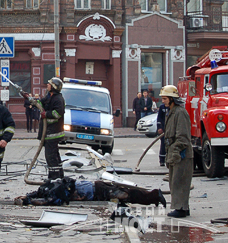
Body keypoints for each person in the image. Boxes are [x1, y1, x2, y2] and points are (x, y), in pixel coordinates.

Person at [15, 178, 166, 208]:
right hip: (96, 187)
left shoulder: (54, 193)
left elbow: (43, 201)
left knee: (128, 195)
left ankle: (154, 196)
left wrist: (27, 201)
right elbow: (38, 194)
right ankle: (153, 197)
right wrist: (28, 198)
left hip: (98, 190)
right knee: (128, 195)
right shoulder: (50, 187)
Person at [159, 85, 193, 218]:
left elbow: (183, 137)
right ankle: (183, 207)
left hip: (182, 154)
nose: (163, 101)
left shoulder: (180, 113)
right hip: (175, 152)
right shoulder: (171, 112)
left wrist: (175, 152)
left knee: (180, 181)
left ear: (172, 99)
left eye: (165, 98)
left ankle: (180, 209)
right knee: (175, 181)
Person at [32, 78, 65, 180]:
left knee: (50, 156)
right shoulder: (50, 97)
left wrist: (45, 114)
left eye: (49, 84)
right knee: (54, 155)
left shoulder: (58, 99)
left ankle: (54, 178)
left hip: (53, 133)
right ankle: (59, 176)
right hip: (48, 132)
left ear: (54, 87)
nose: (47, 85)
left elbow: (57, 113)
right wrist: (33, 101)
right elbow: (41, 103)